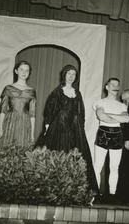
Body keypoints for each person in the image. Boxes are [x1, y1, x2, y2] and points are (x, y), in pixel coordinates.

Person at [35, 64, 98, 195]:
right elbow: (49, 111)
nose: (71, 77)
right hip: (58, 129)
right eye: (69, 74)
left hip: (75, 130)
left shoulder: (77, 93)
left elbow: (81, 113)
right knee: (57, 154)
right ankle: (54, 188)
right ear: (64, 75)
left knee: (76, 156)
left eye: (73, 74)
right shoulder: (57, 92)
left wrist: (80, 128)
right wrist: (47, 126)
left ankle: (75, 188)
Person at [93, 78, 129, 202]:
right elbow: (101, 116)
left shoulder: (122, 105)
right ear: (107, 87)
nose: (115, 87)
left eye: (117, 85)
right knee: (98, 166)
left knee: (115, 167)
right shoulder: (100, 102)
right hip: (103, 133)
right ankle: (96, 194)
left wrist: (109, 116)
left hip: (117, 135)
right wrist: (118, 118)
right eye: (112, 84)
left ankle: (112, 195)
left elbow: (126, 119)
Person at [0, 61, 36, 151]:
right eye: (21, 69)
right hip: (10, 122)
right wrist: (0, 128)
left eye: (27, 70)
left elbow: (32, 114)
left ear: (29, 73)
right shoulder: (8, 88)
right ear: (16, 71)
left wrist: (32, 134)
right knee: (7, 150)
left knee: (22, 151)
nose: (24, 72)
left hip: (24, 124)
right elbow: (3, 110)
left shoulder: (32, 91)